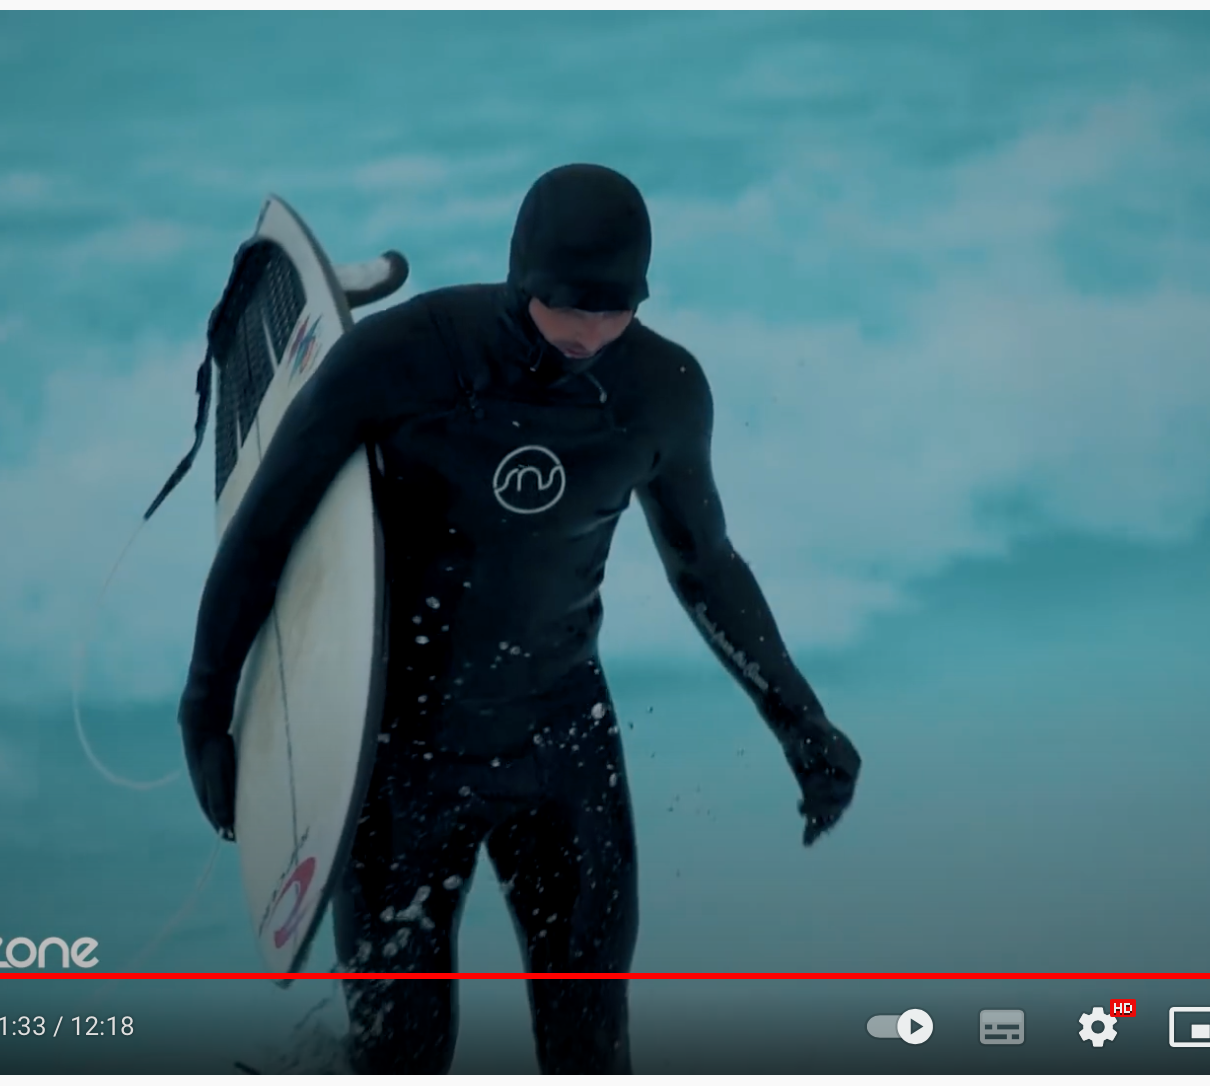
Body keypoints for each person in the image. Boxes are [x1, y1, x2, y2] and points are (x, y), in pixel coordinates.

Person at [177, 163, 862, 1074]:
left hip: (562, 745)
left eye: (611, 311)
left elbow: (705, 566)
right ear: (521, 275)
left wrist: (799, 719)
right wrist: (205, 704)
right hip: (398, 766)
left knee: (588, 1044)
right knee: (403, 1055)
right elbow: (267, 526)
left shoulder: (662, 392)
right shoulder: (402, 357)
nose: (586, 335)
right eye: (566, 307)